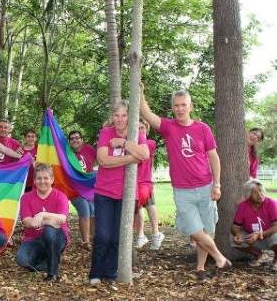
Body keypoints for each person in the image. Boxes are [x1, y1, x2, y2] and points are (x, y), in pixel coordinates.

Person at [140, 86, 231, 281]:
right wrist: (140, 92)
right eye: (176, 106)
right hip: (182, 190)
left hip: (206, 186)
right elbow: (146, 114)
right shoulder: (169, 127)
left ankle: (200, 268)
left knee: (206, 230)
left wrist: (217, 184)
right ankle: (220, 258)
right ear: (172, 108)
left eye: (183, 105)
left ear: (190, 106)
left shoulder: (203, 128)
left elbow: (213, 157)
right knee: (195, 230)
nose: (180, 109)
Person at [89, 101, 149, 284]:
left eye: (124, 115)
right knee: (103, 235)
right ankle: (95, 273)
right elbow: (103, 160)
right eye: (117, 115)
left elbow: (144, 154)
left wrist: (123, 142)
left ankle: (110, 272)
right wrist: (131, 158)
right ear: (112, 116)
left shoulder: (136, 134)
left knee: (117, 237)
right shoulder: (106, 133)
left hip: (127, 195)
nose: (120, 119)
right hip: (104, 192)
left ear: (129, 117)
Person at [16, 163, 70, 282]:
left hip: (57, 237)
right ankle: (51, 258)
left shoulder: (60, 196)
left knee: (49, 231)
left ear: (52, 180)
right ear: (34, 181)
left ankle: (52, 272)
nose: (42, 181)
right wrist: (50, 220)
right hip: (33, 239)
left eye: (46, 178)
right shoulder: (26, 197)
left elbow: (61, 220)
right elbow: (27, 222)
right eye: (39, 178)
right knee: (22, 260)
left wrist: (42, 215)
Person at [231, 179, 277, 271]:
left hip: (268, 235)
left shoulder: (271, 203)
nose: (260, 194)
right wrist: (237, 234)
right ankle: (259, 255)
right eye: (255, 193)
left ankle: (276, 260)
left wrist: (260, 234)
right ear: (248, 195)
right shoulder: (243, 206)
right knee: (232, 239)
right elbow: (235, 227)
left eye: (261, 191)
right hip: (252, 237)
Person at [134, 120, 165, 250]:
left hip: (145, 182)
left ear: (147, 129)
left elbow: (141, 152)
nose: (140, 130)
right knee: (138, 208)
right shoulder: (133, 144)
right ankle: (141, 235)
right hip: (134, 182)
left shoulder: (150, 143)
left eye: (142, 128)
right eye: (137, 128)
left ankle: (156, 233)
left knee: (148, 206)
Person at [68, 130, 96, 250]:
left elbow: (100, 161)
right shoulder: (66, 153)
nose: (75, 140)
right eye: (72, 139)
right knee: (84, 209)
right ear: (69, 142)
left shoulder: (89, 149)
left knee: (93, 210)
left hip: (89, 188)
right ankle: (86, 241)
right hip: (75, 189)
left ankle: (93, 238)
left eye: (77, 138)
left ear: (82, 140)